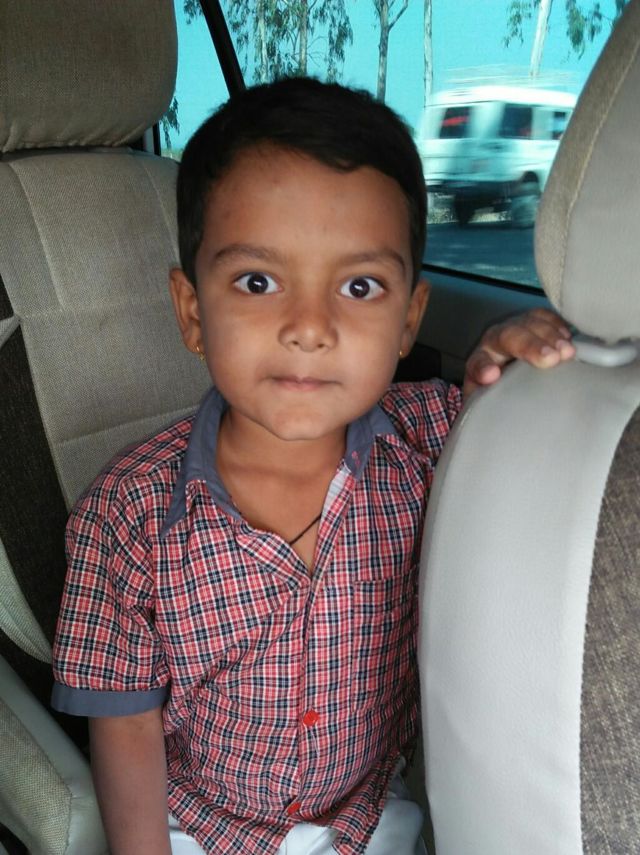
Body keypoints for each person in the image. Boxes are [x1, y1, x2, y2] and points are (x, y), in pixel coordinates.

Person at [51, 77, 574, 855]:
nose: (309, 327)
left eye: (359, 286)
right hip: (198, 824)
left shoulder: (431, 441)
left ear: (409, 319)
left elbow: (495, 418)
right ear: (193, 312)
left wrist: (507, 366)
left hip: (369, 815)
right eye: (258, 281)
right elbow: (125, 727)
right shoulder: (128, 511)